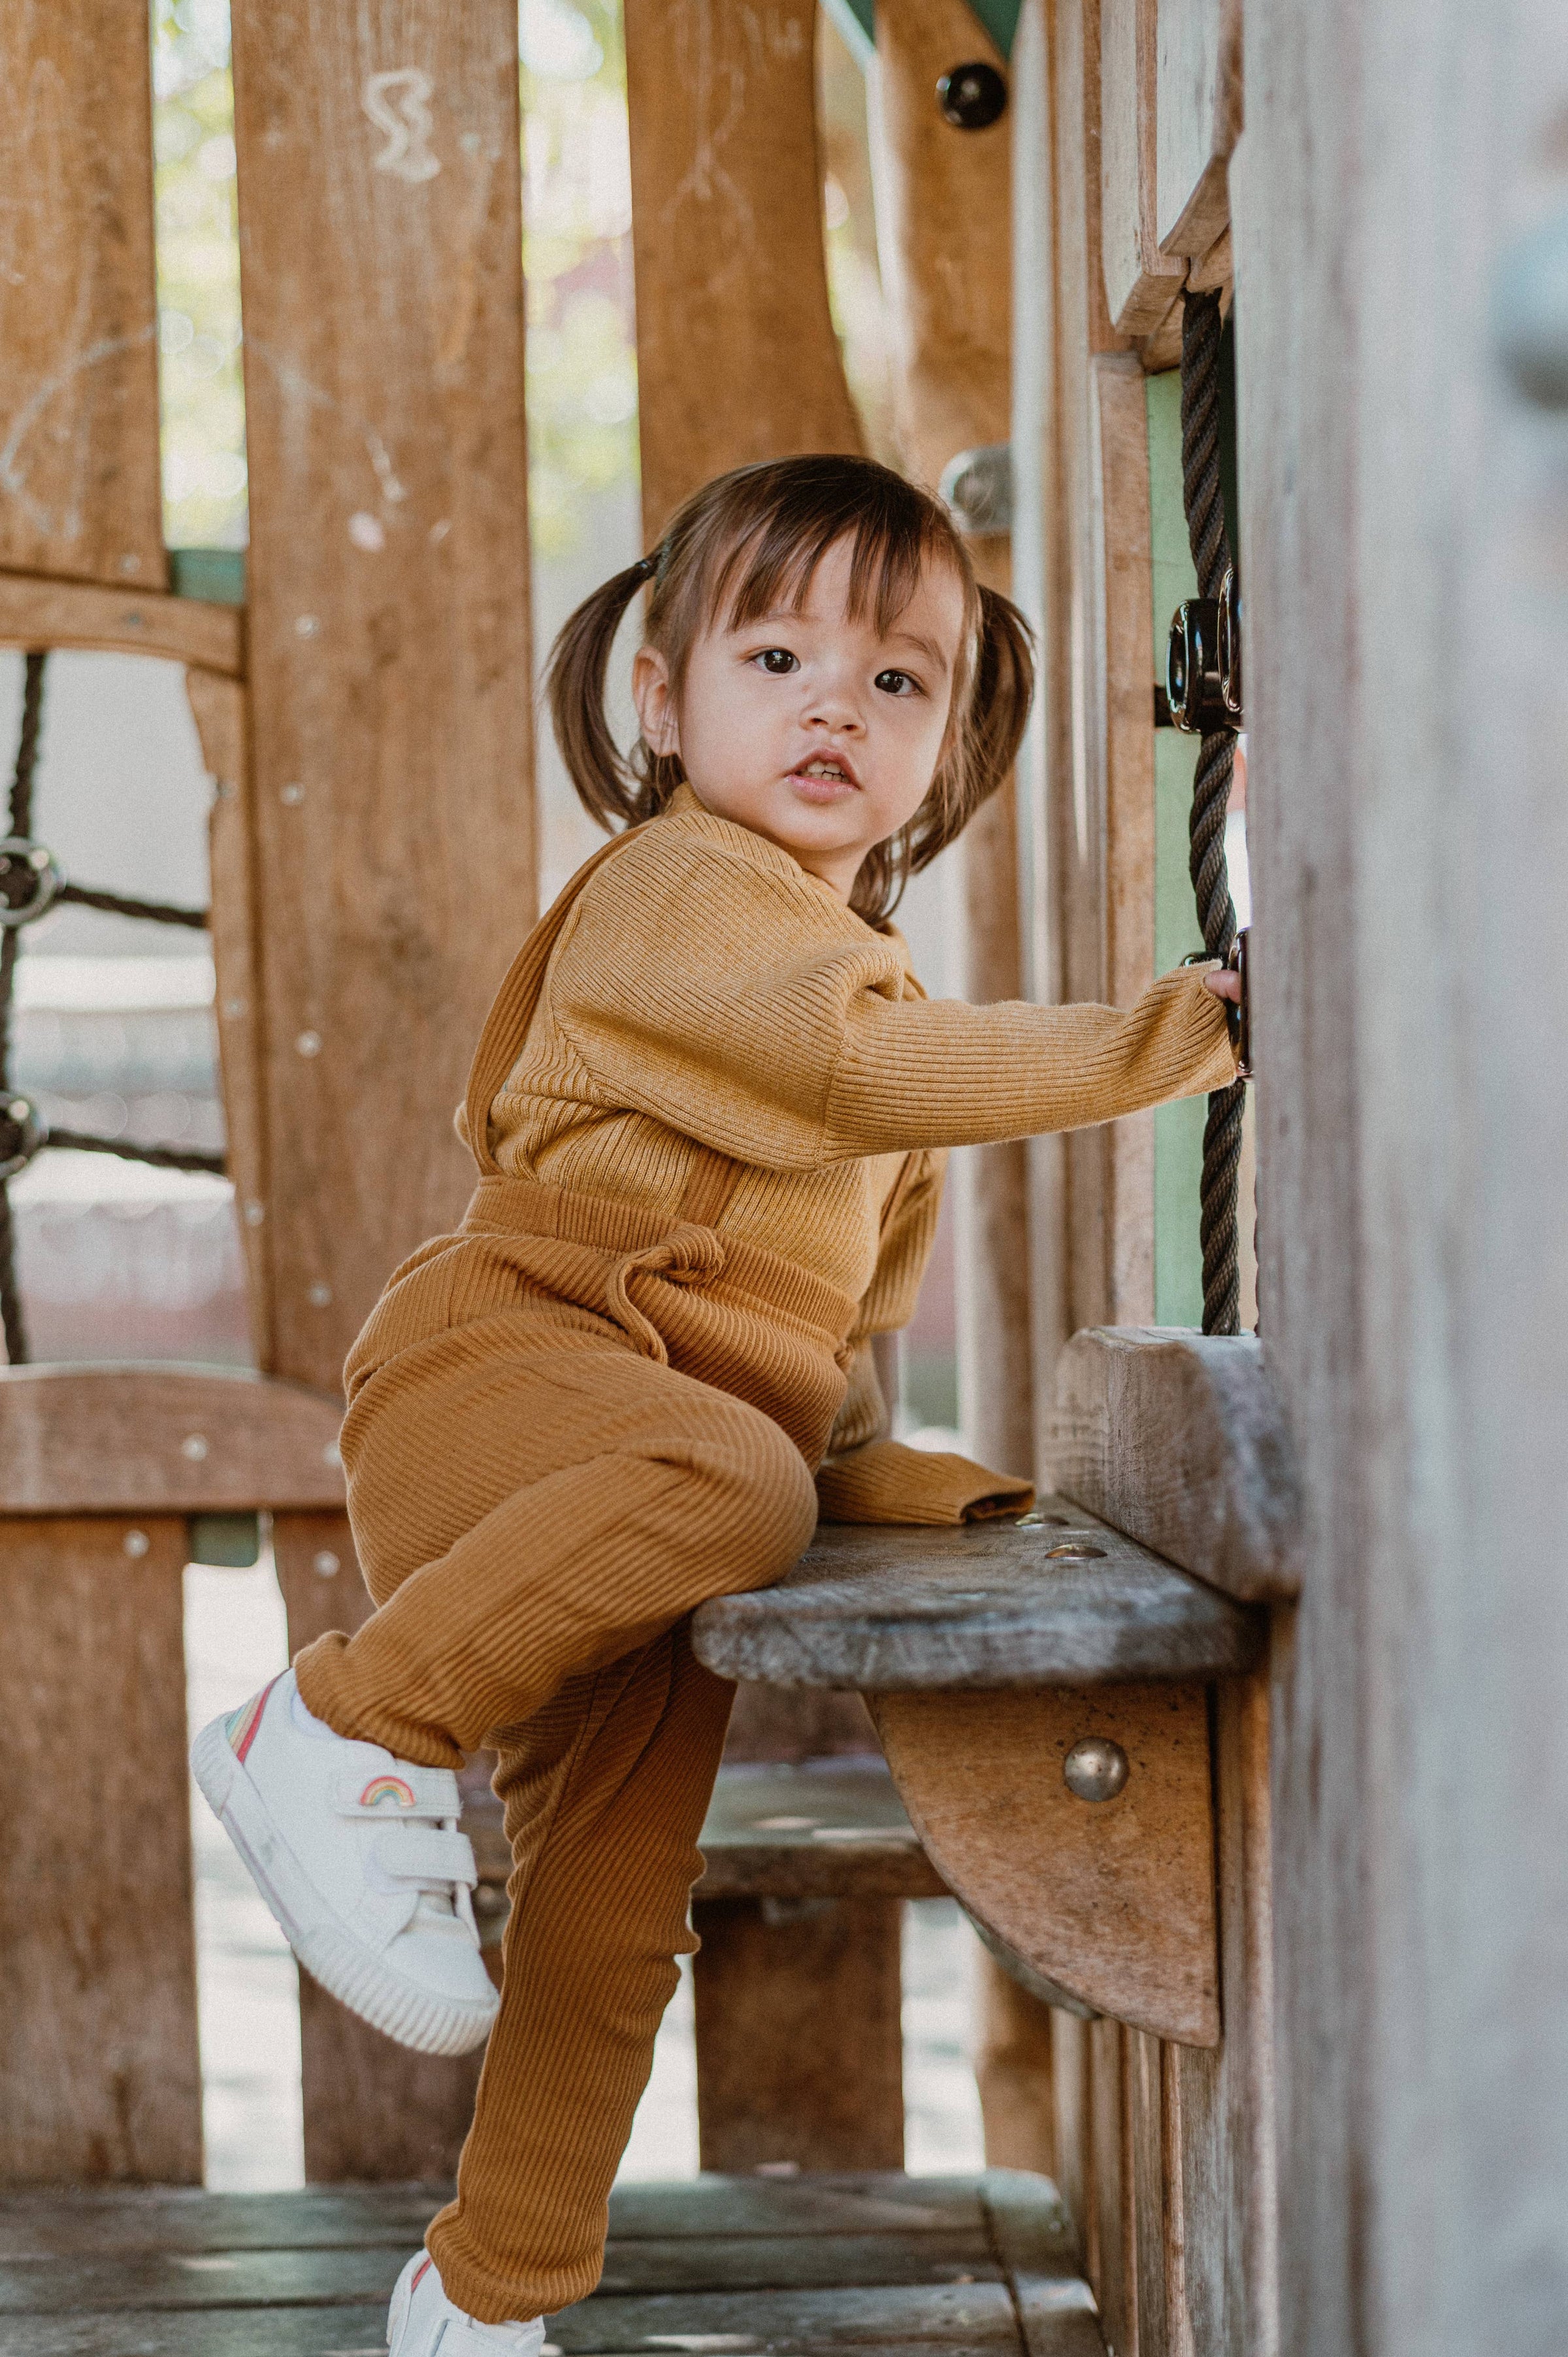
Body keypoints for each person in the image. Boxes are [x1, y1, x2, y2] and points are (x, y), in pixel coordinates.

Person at [193, 454, 1240, 2355]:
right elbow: (863, 1077)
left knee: (611, 1918)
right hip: (508, 1376)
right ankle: (336, 1723)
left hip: (655, 1478)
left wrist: (902, 1481)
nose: (838, 704)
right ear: (666, 703)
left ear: (947, 741)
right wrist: (1187, 1025)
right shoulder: (686, 892)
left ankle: (488, 2296)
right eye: (777, 655)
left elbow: (828, 1356)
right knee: (729, 1488)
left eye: (899, 678)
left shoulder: (860, 975)